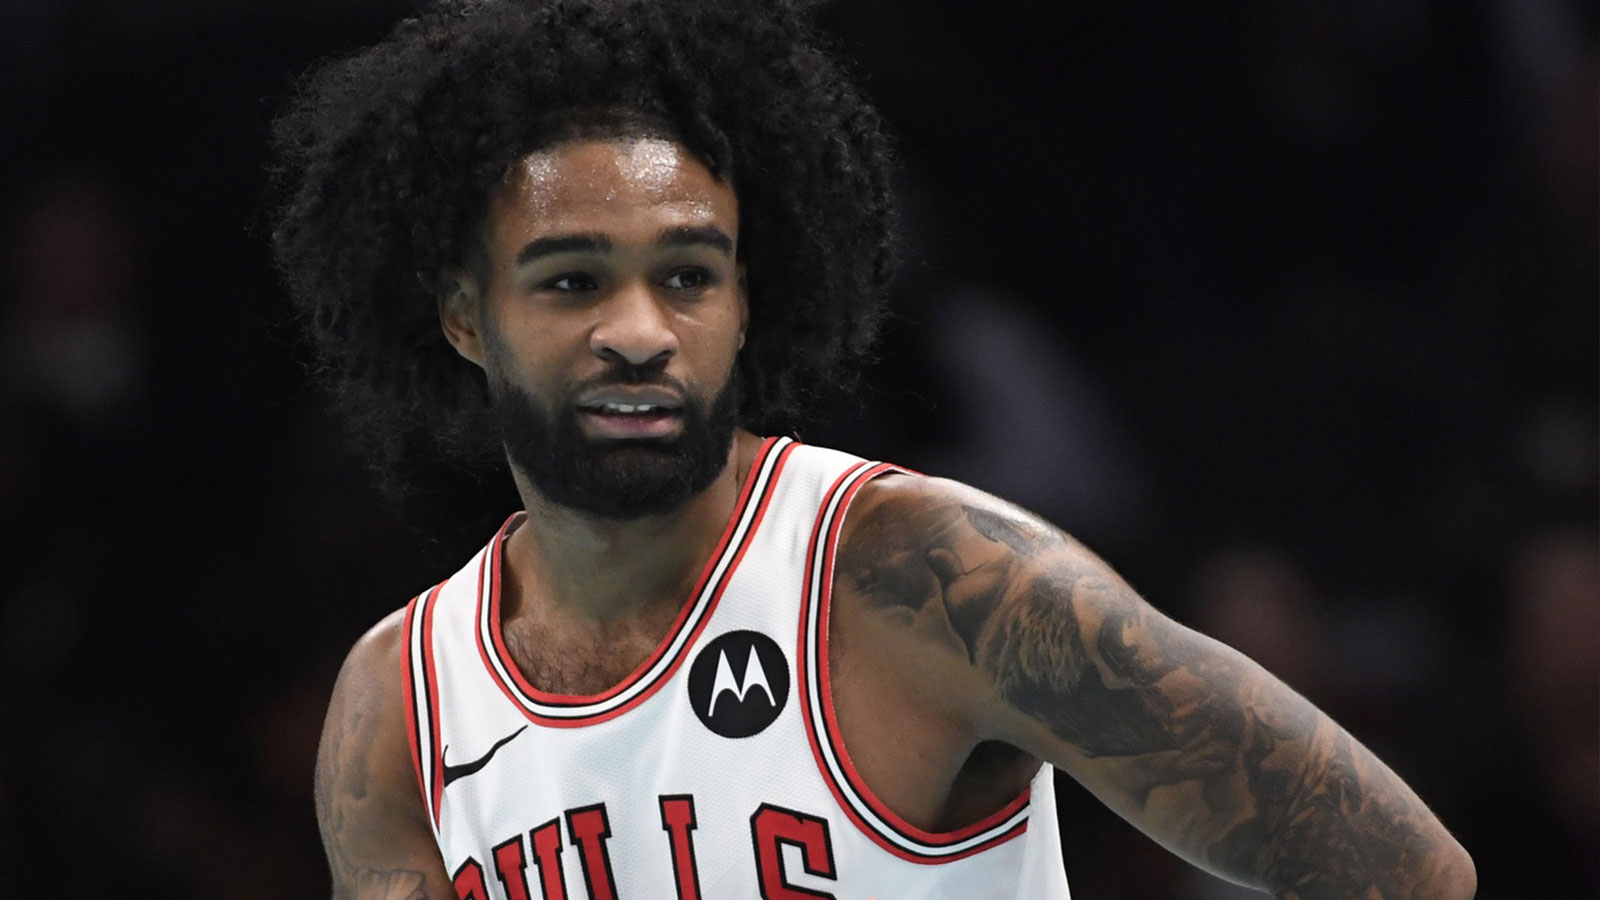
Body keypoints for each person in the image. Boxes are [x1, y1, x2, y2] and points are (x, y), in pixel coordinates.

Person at [268, 2, 1477, 897]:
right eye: (572, 279)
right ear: (465, 317)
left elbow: (1399, 871)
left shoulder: (927, 577)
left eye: (687, 276)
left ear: (747, 301)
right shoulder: (399, 704)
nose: (638, 332)